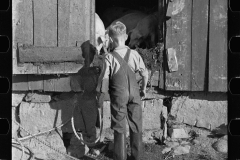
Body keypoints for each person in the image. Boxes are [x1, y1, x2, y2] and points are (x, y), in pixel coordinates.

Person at [96, 21, 148, 160]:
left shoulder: (109, 57)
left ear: (111, 40)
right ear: (125, 37)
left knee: (119, 126)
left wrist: (101, 97)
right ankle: (138, 156)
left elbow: (104, 79)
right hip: (135, 94)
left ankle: (120, 157)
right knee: (136, 123)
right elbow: (145, 74)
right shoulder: (135, 54)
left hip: (119, 95)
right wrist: (143, 89)